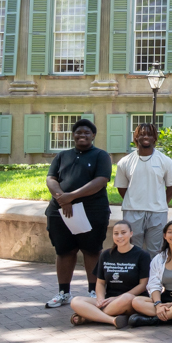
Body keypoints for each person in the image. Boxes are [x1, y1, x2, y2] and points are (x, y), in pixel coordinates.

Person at [44, 119, 112, 308]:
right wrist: (61, 198)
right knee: (64, 251)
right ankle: (64, 293)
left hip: (92, 211)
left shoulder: (101, 156)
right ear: (73, 135)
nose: (82, 136)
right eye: (78, 132)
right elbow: (51, 178)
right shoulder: (62, 156)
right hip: (60, 212)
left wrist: (71, 197)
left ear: (93, 136)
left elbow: (101, 181)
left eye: (86, 133)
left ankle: (93, 292)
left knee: (91, 251)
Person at [68, 220, 148, 328]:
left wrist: (117, 298)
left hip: (130, 300)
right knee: (75, 301)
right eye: (116, 233)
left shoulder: (142, 255)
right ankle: (112, 319)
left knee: (127, 298)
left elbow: (143, 285)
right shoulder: (106, 255)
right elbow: (100, 283)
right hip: (108, 301)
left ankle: (88, 317)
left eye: (123, 232)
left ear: (131, 233)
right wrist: (100, 299)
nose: (119, 236)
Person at [114, 122, 172, 254]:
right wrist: (133, 199)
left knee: (155, 250)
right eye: (142, 134)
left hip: (157, 212)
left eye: (149, 134)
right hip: (132, 211)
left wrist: (161, 202)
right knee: (132, 249)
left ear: (155, 138)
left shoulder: (165, 161)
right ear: (136, 137)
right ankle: (136, 275)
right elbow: (121, 187)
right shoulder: (125, 162)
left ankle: (153, 275)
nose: (146, 137)